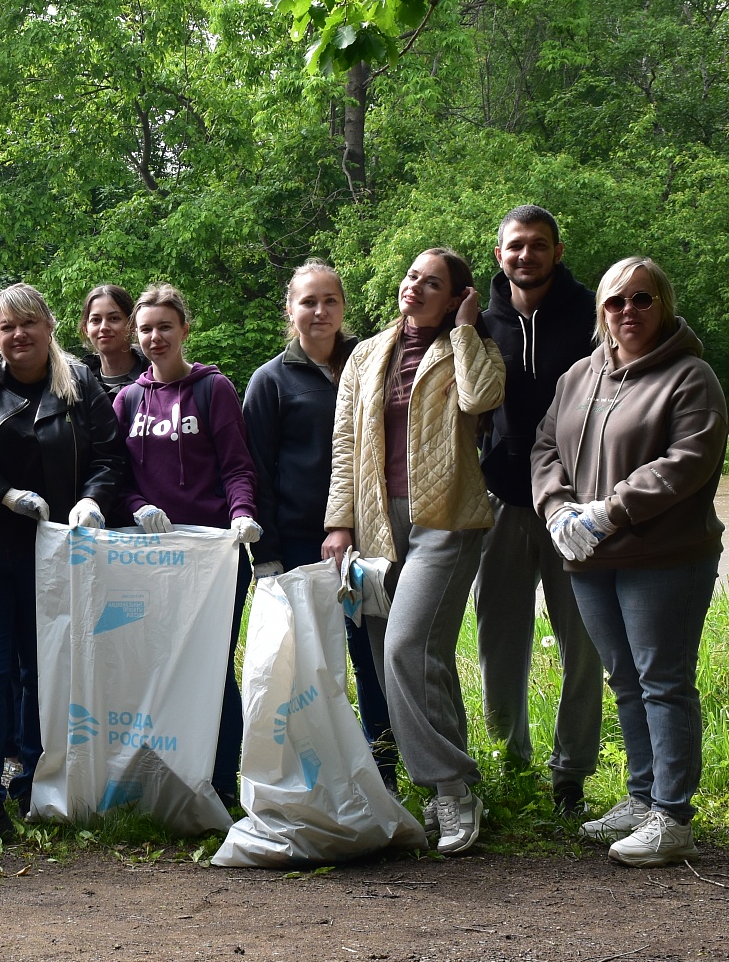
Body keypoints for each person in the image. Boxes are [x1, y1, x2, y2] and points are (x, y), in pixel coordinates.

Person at [534, 257, 727, 867]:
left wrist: (606, 513)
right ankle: (642, 798)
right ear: (601, 312)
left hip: (663, 556)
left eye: (643, 299)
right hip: (589, 559)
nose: (629, 312)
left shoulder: (691, 377)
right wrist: (558, 511)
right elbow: (545, 447)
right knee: (623, 681)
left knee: (663, 682)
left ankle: (673, 816)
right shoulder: (578, 377)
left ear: (663, 305)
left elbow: (687, 461)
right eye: (616, 302)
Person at [0, 283, 127, 855]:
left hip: (55, 555)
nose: (18, 336)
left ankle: (38, 787)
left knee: (47, 674)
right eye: (6, 327)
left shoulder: (80, 382)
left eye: (28, 325)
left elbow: (110, 455)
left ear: (49, 327)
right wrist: (3, 494)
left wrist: (93, 498)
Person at [324, 248, 504, 855]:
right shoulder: (366, 354)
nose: (414, 288)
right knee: (395, 655)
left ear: (455, 296)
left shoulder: (469, 348)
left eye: (432, 284)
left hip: (447, 517)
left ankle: (450, 787)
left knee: (407, 646)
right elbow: (346, 443)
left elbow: (481, 400)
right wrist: (340, 524)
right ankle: (447, 787)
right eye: (411, 278)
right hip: (379, 522)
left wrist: (465, 330)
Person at [475, 206, 604, 816]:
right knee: (500, 639)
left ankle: (571, 773)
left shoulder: (591, 314)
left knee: (583, 642)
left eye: (538, 245)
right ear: (499, 254)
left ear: (557, 250)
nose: (526, 255)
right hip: (501, 499)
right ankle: (511, 758)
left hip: (576, 504)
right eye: (516, 246)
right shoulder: (478, 322)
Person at [243, 262, 393, 779]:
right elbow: (255, 469)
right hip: (301, 547)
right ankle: (321, 779)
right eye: (309, 301)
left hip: (370, 542)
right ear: (290, 309)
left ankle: (385, 775)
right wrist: (267, 555)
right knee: (309, 670)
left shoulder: (373, 363)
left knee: (374, 663)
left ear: (344, 307)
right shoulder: (270, 381)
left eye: (330, 300)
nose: (320, 311)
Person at [115, 283, 260, 803]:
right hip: (151, 556)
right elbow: (114, 475)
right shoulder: (127, 400)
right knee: (157, 668)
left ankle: (221, 787)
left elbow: (237, 465)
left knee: (213, 669)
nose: (156, 337)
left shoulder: (213, 389)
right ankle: (165, 783)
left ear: (184, 330)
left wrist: (242, 515)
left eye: (165, 327)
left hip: (211, 558)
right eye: (147, 328)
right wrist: (136, 507)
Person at [81, 284, 150, 396]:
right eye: (96, 320)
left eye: (114, 318)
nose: (103, 327)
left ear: (132, 324)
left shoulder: (154, 378)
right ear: (86, 329)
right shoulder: (79, 385)